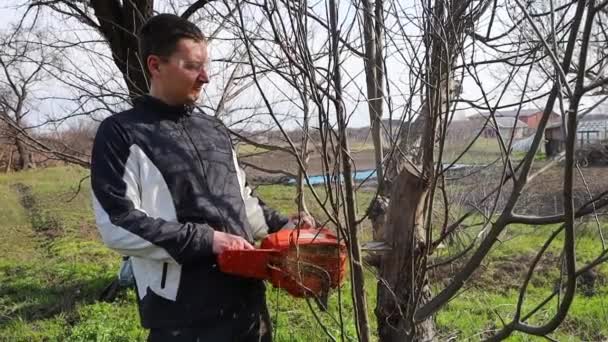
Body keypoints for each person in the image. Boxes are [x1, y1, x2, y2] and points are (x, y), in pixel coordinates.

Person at [90, 13, 313, 342]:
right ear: (156, 65)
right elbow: (117, 223)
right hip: (182, 317)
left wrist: (285, 228)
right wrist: (207, 239)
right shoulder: (122, 133)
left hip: (247, 306)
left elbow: (242, 202)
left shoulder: (215, 130)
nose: (205, 77)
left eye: (205, 66)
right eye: (192, 66)